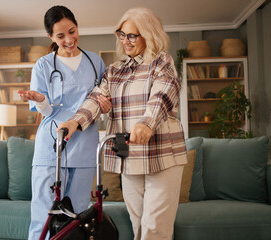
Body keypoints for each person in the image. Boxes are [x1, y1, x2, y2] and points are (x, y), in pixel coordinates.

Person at [57, 7, 188, 240]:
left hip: (162, 153)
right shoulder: (115, 70)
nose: (125, 41)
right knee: (138, 220)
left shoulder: (161, 62)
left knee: (155, 223)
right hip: (129, 154)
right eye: (122, 34)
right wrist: (75, 121)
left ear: (149, 35)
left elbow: (163, 94)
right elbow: (96, 99)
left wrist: (147, 123)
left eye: (132, 35)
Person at [18, 5, 110, 240]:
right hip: (52, 144)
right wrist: (40, 100)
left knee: (78, 214)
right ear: (51, 36)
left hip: (85, 144)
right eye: (60, 36)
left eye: (72, 31)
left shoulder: (95, 62)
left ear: (77, 27)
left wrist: (106, 106)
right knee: (43, 214)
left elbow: (97, 103)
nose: (69, 39)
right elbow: (49, 110)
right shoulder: (43, 65)